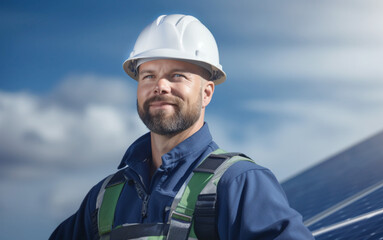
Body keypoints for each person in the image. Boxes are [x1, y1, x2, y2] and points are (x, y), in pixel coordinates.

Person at [50, 14, 314, 240]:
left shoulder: (239, 183)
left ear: (206, 93)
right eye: (148, 75)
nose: (160, 86)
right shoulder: (103, 199)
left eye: (177, 75)